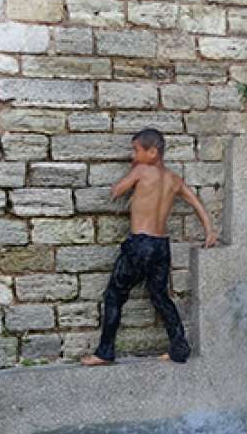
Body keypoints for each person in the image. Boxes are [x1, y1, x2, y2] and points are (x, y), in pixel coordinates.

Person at [81, 129, 218, 366]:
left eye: (136, 150)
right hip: (161, 246)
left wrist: (130, 181)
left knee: (114, 294)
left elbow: (116, 191)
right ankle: (178, 349)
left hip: (140, 244)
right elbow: (197, 204)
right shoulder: (174, 179)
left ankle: (104, 352)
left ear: (153, 152)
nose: (133, 155)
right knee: (160, 296)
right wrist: (209, 231)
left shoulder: (142, 171)